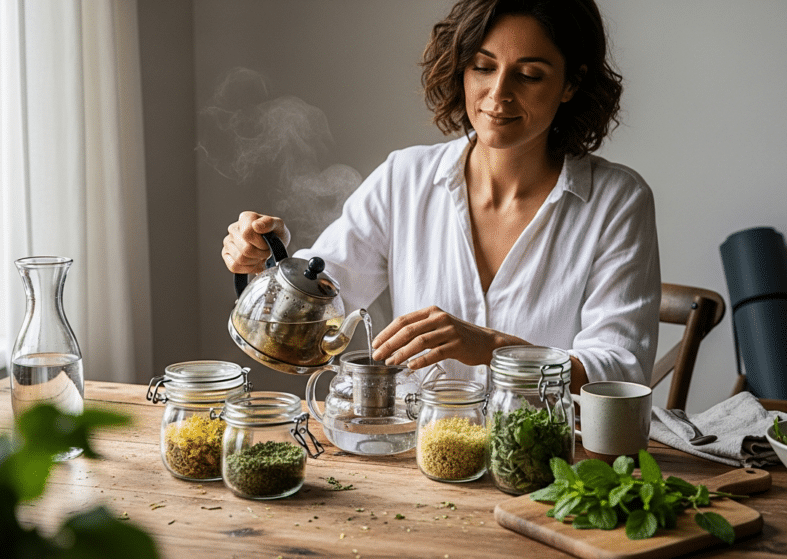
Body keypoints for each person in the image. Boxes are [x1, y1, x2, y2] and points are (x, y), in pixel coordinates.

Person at [222, 0, 659, 394]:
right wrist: (269, 263)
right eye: (483, 67)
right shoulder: (405, 177)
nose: (499, 94)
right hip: (422, 451)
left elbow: (619, 372)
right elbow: (323, 300)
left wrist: (491, 349)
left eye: (529, 75)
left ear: (570, 84)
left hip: (549, 461)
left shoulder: (617, 202)